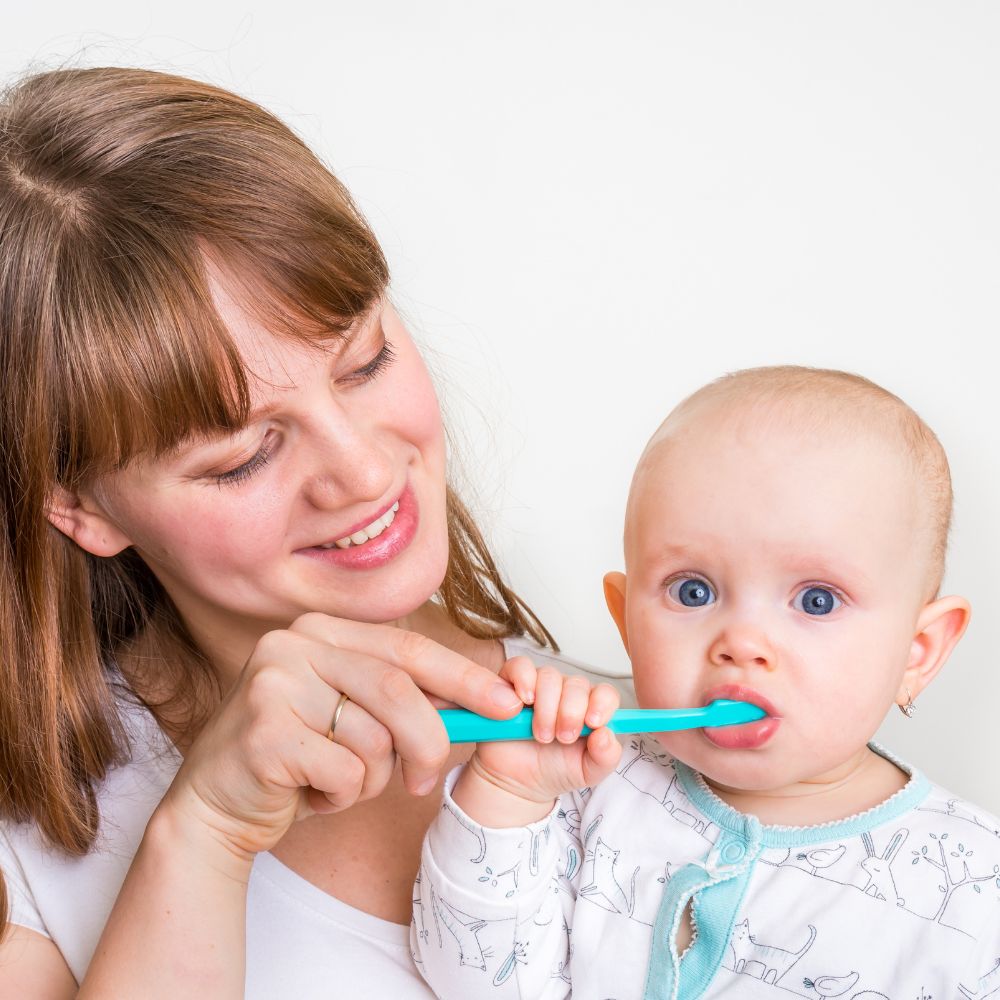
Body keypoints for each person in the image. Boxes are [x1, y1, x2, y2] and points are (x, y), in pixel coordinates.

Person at [0, 66, 632, 998]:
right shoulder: (30, 862)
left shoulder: (649, 736)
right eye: (242, 458)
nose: (367, 472)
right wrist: (203, 832)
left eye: (365, 360)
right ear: (81, 508)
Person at [412, 367, 1000, 998]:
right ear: (627, 621)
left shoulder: (974, 892)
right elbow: (477, 984)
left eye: (818, 601)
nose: (741, 642)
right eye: (694, 591)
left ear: (918, 652)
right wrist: (505, 794)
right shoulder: (581, 784)